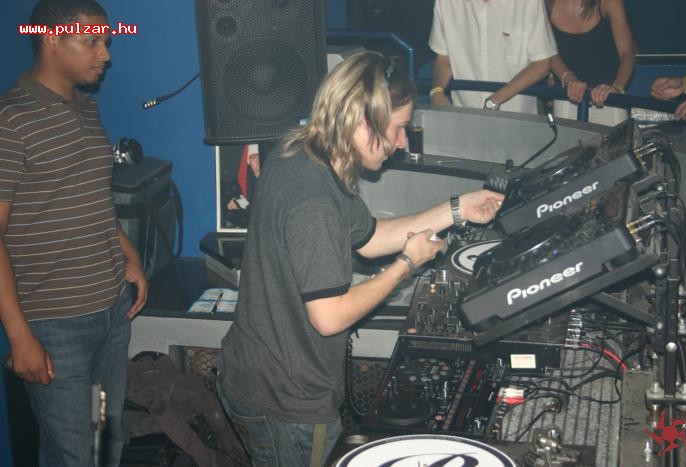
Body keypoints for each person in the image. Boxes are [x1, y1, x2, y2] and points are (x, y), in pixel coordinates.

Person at [216, 51, 504, 467]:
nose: (402, 142)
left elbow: (369, 239)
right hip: (286, 401)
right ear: (361, 122)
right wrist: (407, 265)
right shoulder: (314, 202)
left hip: (257, 374)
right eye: (398, 128)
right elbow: (330, 317)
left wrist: (457, 209)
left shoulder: (302, 153)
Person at [0, 1, 148, 466]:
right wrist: (20, 338)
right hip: (55, 324)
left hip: (111, 309)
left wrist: (129, 255)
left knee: (106, 444)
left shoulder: (87, 107)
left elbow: (91, 198)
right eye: (92, 42)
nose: (105, 54)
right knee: (74, 456)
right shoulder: (10, 121)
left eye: (107, 42)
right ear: (51, 40)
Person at [428, 0, 557, 114]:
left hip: (517, 117)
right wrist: (437, 91)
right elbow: (443, 59)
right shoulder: (446, 3)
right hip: (464, 113)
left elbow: (542, 63)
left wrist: (496, 99)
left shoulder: (528, 2)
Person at [546, 0, 635, 126]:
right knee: (567, 138)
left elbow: (627, 53)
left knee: (616, 138)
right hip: (567, 94)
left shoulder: (608, 3)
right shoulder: (546, 4)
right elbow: (548, 52)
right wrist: (570, 80)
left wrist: (617, 87)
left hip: (608, 94)